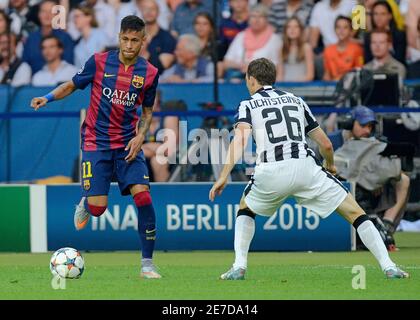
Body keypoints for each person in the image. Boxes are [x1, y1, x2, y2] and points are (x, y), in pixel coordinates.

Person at [209, 57, 409, 280]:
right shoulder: (296, 101)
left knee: (245, 209)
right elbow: (325, 144)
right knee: (355, 213)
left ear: (252, 79)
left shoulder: (247, 104)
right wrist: (330, 165)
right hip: (306, 167)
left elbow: (240, 139)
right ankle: (389, 266)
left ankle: (239, 266)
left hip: (271, 170)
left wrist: (224, 175)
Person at [30, 16, 162, 279]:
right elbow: (72, 84)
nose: (128, 45)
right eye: (125, 39)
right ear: (119, 37)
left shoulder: (149, 73)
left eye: (135, 40)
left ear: (143, 40)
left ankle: (147, 264)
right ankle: (87, 201)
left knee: (144, 198)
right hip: (96, 142)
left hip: (127, 144)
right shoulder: (99, 62)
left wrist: (141, 136)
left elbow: (147, 111)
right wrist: (46, 98)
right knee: (99, 208)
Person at [328, 106, 411, 249]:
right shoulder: (332, 141)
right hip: (341, 193)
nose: (367, 130)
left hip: (371, 195)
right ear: (349, 123)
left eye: (370, 126)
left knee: (404, 180)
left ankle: (386, 225)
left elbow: (389, 169)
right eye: (362, 125)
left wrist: (377, 180)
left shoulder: (376, 142)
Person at [22, 0, 75, 74]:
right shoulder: (31, 38)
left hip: (59, 81)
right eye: (44, 11)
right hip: (34, 82)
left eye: (52, 12)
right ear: (39, 14)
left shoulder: (65, 37)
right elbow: (25, 65)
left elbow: (69, 64)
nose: (47, 15)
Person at [363, 1, 406, 65]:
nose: (378, 17)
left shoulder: (399, 35)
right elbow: (367, 61)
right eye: (375, 14)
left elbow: (400, 59)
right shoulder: (368, 36)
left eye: (383, 14)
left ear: (390, 16)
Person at [140, 0, 176, 75]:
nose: (149, 12)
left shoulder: (167, 38)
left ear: (158, 12)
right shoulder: (135, 36)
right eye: (145, 9)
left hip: (159, 82)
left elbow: (162, 67)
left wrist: (145, 54)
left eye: (152, 9)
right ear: (141, 11)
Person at [323, 16, 363, 81]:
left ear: (351, 31)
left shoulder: (357, 49)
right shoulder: (328, 50)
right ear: (334, 30)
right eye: (338, 27)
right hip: (333, 85)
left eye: (345, 27)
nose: (341, 31)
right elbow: (327, 74)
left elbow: (359, 73)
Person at [276, 16, 314, 82]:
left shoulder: (306, 47)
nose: (292, 29)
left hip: (301, 86)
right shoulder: (281, 48)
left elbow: (310, 75)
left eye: (296, 27)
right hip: (284, 87)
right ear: (285, 30)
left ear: (300, 30)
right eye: (289, 27)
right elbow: (280, 75)